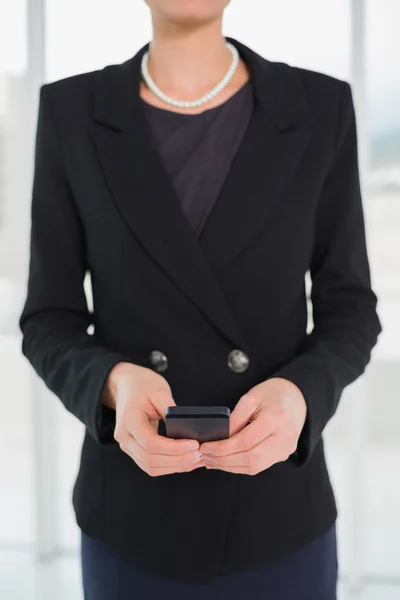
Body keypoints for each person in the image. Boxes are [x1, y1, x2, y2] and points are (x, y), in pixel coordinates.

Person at [19, 1, 382, 598]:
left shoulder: (320, 108)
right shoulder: (72, 112)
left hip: (278, 513)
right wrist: (114, 382)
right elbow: (48, 318)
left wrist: (301, 394)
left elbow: (350, 307)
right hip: (132, 518)